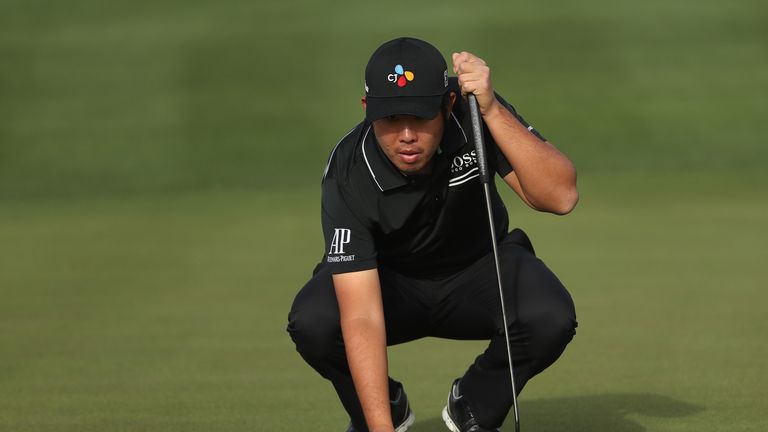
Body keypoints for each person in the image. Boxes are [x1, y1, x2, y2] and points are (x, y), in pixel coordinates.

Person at [287, 37, 579, 432]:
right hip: (390, 285)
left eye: (422, 117)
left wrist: (492, 110)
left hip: (479, 270)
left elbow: (560, 196)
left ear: (448, 103)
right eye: (391, 119)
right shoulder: (349, 169)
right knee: (314, 321)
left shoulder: (474, 112)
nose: (407, 135)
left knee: (548, 315)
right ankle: (383, 409)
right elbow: (361, 314)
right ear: (367, 109)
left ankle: (474, 405)